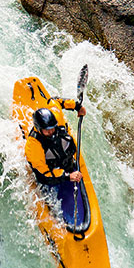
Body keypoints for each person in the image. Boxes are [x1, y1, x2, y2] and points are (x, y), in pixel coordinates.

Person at [24, 99, 90, 232]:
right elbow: (44, 175)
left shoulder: (56, 119)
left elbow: (55, 101)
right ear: (39, 129)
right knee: (48, 181)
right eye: (47, 130)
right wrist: (67, 176)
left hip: (66, 164)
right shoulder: (33, 146)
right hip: (51, 173)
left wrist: (77, 107)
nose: (51, 132)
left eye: (53, 128)